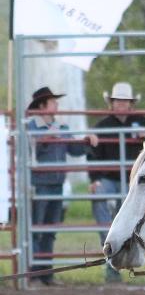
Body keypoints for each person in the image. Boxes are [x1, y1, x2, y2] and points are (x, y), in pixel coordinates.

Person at [27, 87, 98, 285]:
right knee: (37, 229)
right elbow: (28, 153)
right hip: (39, 184)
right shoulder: (31, 127)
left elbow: (73, 149)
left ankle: (45, 274)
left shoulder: (60, 127)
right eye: (53, 102)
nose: (56, 105)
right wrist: (44, 141)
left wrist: (86, 142)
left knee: (49, 231)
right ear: (42, 106)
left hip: (55, 184)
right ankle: (34, 273)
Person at [88, 82, 145, 282]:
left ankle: (125, 260)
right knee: (101, 204)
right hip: (108, 179)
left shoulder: (142, 122)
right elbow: (92, 154)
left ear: (130, 104)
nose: (120, 104)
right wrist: (94, 179)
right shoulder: (102, 126)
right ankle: (111, 255)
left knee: (130, 220)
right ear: (111, 103)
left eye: (124, 101)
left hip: (133, 181)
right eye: (117, 100)